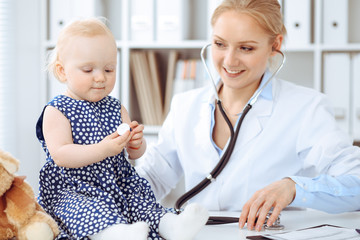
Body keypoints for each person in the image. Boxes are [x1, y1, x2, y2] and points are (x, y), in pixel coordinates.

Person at [135, 0, 360, 232]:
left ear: (275, 45)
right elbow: (153, 178)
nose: (230, 61)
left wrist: (294, 188)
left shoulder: (306, 108)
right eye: (220, 44)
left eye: (246, 48)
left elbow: (357, 182)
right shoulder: (185, 105)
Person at [35, 18, 208, 240]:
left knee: (141, 201)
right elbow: (60, 155)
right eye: (88, 70)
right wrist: (103, 149)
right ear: (62, 71)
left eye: (109, 69)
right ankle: (114, 234)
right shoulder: (57, 110)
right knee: (87, 210)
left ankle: (171, 225)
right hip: (75, 189)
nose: (100, 77)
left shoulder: (116, 107)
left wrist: (137, 144)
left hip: (118, 182)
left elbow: (133, 155)